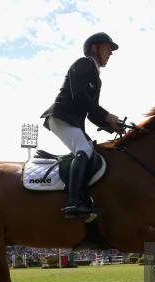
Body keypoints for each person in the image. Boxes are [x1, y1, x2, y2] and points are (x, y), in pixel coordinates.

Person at [41, 32, 122, 220]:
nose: (111, 52)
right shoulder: (83, 63)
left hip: (72, 120)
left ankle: (83, 197)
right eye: (107, 47)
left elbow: (92, 113)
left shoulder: (97, 77)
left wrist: (113, 126)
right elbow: (79, 98)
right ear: (94, 48)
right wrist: (108, 116)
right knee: (84, 149)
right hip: (60, 117)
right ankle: (74, 201)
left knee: (91, 150)